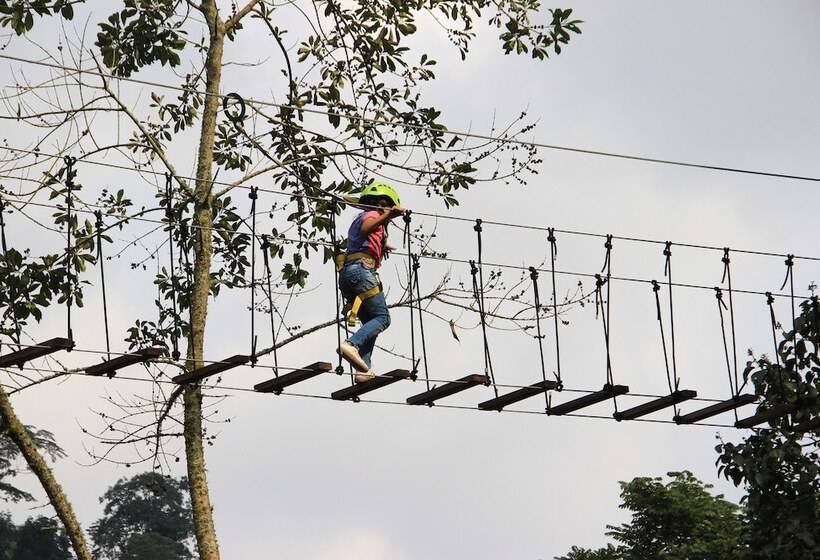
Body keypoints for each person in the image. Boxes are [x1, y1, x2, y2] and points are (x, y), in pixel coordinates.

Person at [337, 181, 405, 382]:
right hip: (361, 271)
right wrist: (388, 214)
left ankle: (363, 369)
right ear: (382, 204)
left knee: (370, 321)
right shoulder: (371, 215)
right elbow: (368, 226)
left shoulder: (370, 218)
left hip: (349, 273)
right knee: (383, 318)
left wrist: (382, 247)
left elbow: (364, 239)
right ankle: (351, 344)